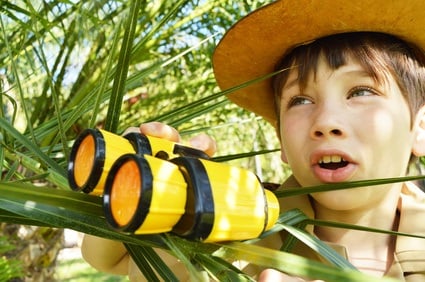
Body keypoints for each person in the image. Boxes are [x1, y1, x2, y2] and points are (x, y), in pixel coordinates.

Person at [81, 0, 425, 281]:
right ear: (281, 142)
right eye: (300, 100)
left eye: (361, 91)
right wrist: (132, 182)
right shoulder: (233, 229)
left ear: (420, 129)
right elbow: (114, 259)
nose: (326, 122)